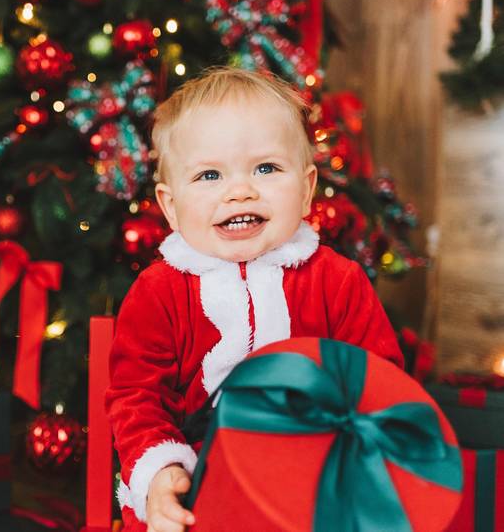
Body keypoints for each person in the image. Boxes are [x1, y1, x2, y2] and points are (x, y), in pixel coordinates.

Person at [105, 67, 404, 532]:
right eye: (209, 175)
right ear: (170, 206)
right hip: (199, 490)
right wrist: (162, 474)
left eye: (266, 168)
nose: (240, 190)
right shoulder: (159, 291)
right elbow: (138, 399)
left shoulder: (336, 281)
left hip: (315, 484)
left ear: (306, 190)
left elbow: (380, 385)